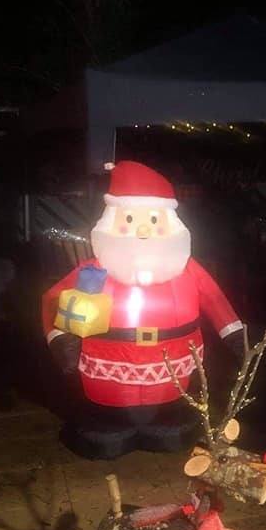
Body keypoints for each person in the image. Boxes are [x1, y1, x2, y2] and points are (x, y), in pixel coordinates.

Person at [42, 160, 245, 458]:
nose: (142, 229)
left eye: (152, 219)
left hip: (173, 370)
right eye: (129, 219)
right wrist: (60, 338)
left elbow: (214, 299)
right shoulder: (93, 271)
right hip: (107, 370)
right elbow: (53, 299)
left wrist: (234, 334)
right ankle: (110, 422)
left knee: (170, 421)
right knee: (106, 431)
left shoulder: (187, 269)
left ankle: (165, 419)